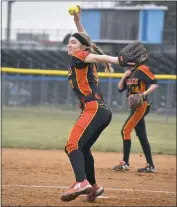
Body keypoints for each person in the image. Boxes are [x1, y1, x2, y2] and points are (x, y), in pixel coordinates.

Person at [60, 6, 147, 202]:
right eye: (68, 42)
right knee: (82, 148)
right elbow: (86, 41)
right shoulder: (81, 55)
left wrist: (118, 60)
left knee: (72, 144)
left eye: (72, 42)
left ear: (81, 48)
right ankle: (93, 188)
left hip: (93, 109)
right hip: (101, 111)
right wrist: (77, 22)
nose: (69, 45)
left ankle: (81, 182)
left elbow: (99, 56)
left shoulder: (81, 56)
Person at [112, 64, 159, 173]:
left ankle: (125, 163)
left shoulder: (142, 69)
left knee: (125, 130)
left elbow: (155, 84)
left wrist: (144, 94)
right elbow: (120, 88)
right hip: (135, 108)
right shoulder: (129, 72)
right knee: (141, 135)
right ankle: (150, 165)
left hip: (142, 106)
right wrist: (124, 76)